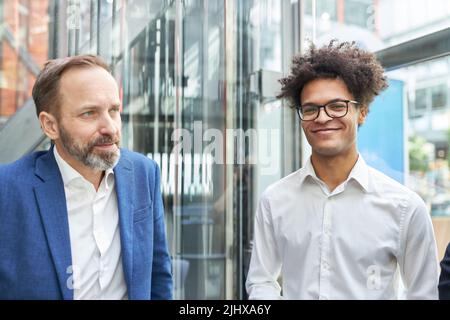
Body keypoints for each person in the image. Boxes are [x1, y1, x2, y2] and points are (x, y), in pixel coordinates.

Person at [245, 41, 439, 300]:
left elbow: (424, 294)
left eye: (337, 106)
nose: (322, 118)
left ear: (363, 112)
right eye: (310, 109)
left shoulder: (405, 207)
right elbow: (261, 282)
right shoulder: (274, 200)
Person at [0, 55, 173, 300]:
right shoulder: (8, 190)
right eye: (89, 113)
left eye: (114, 110)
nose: (110, 128)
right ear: (50, 126)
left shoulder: (143, 173)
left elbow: (158, 277)